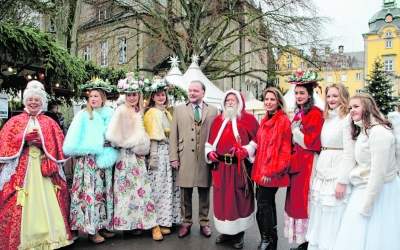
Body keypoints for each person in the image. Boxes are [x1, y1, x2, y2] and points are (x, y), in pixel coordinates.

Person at [0, 80, 73, 249]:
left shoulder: (50, 122)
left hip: (44, 168)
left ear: (42, 102)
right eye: (31, 100)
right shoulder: (14, 121)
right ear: (25, 101)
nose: (33, 102)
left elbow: (59, 145)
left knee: (50, 199)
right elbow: (5, 143)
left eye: (37, 100)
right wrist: (23, 139)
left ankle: (52, 237)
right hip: (22, 167)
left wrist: (43, 144)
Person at [333, 93, 400, 250]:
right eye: (350, 107)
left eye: (356, 106)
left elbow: (378, 174)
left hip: (379, 193)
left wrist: (366, 206)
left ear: (368, 108)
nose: (351, 110)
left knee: (375, 237)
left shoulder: (379, 133)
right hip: (363, 187)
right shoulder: (364, 131)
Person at [63, 78, 118, 244]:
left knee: (103, 195)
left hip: (104, 161)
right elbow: (72, 139)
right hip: (88, 162)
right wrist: (84, 148)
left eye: (97, 96)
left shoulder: (110, 114)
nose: (93, 99)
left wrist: (111, 144)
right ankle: (91, 230)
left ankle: (102, 225)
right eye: (91, 96)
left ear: (103, 98)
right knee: (90, 195)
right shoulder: (83, 115)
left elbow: (115, 135)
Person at [106, 76, 161, 240]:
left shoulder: (139, 111)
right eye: (129, 95)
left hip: (137, 158)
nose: (131, 98)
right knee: (125, 193)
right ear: (125, 95)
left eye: (134, 94)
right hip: (125, 157)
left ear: (138, 95)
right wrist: (130, 143)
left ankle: (148, 224)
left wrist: (141, 144)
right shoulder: (121, 110)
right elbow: (112, 136)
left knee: (142, 191)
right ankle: (129, 225)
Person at [205, 89, 258, 249]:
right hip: (221, 168)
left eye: (233, 100)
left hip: (239, 168)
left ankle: (239, 234)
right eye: (227, 100)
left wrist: (246, 150)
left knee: (239, 200)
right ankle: (226, 232)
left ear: (239, 102)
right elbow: (209, 142)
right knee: (222, 201)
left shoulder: (249, 120)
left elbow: (257, 140)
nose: (229, 102)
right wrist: (210, 153)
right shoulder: (218, 121)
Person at [305, 83, 353, 250]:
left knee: (334, 213)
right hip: (323, 169)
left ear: (343, 97)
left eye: (335, 95)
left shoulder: (347, 119)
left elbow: (350, 152)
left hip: (337, 172)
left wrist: (342, 181)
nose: (331, 99)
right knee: (320, 212)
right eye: (329, 96)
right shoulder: (328, 117)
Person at [169, 80, 218, 238]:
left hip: (205, 156)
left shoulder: (213, 110)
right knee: (186, 192)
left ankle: (204, 222)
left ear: (203, 93)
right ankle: (186, 222)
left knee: (204, 190)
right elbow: (173, 136)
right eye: (190, 90)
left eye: (195, 91)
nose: (191, 93)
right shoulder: (179, 109)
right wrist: (174, 157)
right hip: (185, 156)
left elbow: (217, 134)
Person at [284, 70, 324, 250]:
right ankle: (302, 241)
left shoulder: (315, 113)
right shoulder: (299, 112)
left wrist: (295, 132)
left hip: (308, 164)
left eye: (302, 93)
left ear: (310, 95)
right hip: (297, 163)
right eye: (296, 93)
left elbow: (312, 142)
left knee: (305, 202)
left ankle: (308, 241)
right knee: (296, 202)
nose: (298, 96)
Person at [251, 87, 292, 250]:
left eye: (272, 99)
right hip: (260, 170)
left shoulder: (282, 120)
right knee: (266, 205)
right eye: (266, 99)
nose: (268, 102)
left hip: (270, 173)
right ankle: (270, 239)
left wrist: (271, 171)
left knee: (263, 205)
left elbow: (285, 151)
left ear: (279, 102)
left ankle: (267, 239)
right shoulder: (265, 119)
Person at [143, 79, 181, 237]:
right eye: (157, 95)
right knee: (158, 188)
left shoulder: (166, 112)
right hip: (158, 152)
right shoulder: (152, 113)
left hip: (169, 151)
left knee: (168, 187)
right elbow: (153, 137)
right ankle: (157, 221)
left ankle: (168, 219)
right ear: (152, 97)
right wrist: (153, 157)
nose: (161, 97)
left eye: (163, 94)